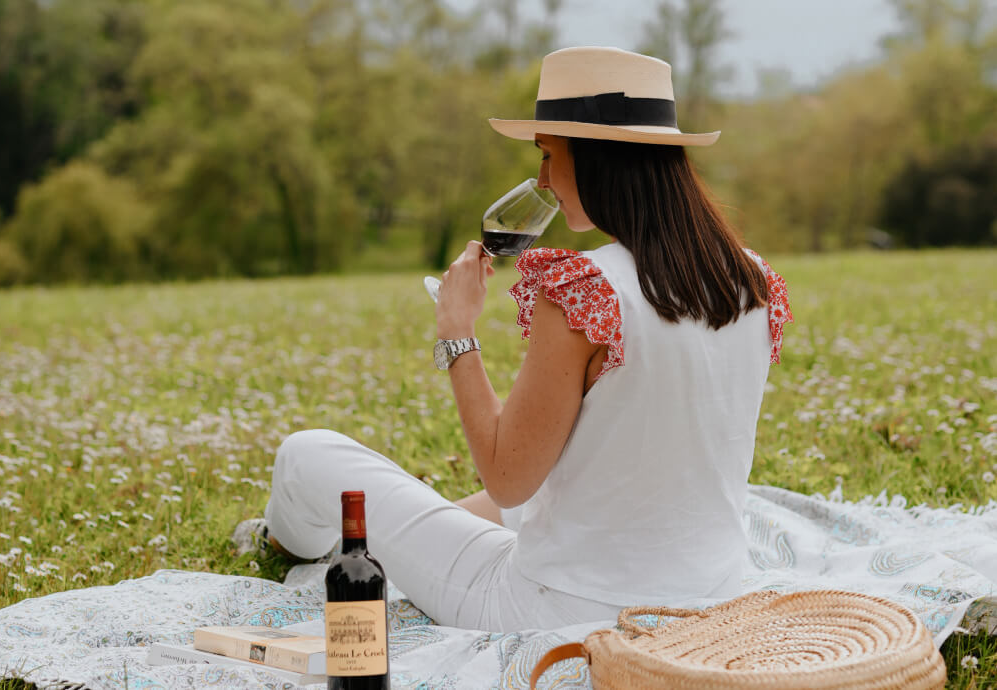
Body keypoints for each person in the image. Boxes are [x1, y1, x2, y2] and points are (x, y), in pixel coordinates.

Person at [233, 46, 792, 632]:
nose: (544, 179)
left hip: (560, 609)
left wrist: (457, 333)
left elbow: (506, 476)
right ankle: (385, 541)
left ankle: (282, 544)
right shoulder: (752, 279)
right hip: (712, 599)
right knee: (477, 512)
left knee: (308, 453)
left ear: (597, 158)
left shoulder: (587, 290)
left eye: (550, 155)